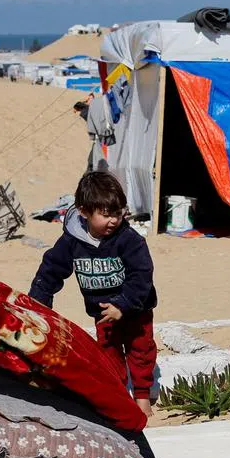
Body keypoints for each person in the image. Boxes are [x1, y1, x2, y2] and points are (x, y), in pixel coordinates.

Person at [29, 171, 158, 417]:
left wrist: (124, 304)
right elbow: (52, 269)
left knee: (140, 351)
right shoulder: (72, 241)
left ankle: (143, 397)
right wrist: (39, 300)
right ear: (84, 211)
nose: (113, 221)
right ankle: (119, 395)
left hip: (136, 309)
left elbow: (142, 274)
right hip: (102, 313)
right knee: (109, 355)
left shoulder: (130, 240)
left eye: (118, 213)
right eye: (105, 215)